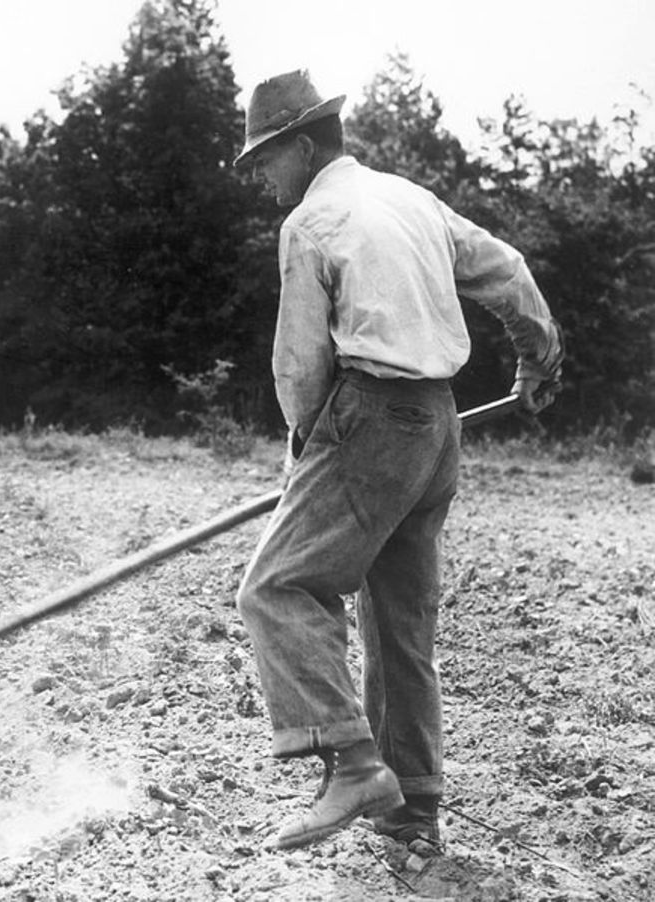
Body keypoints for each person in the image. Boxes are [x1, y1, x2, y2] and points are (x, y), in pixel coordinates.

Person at [231, 70, 564, 852]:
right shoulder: (413, 201)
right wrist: (539, 357)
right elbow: (509, 272)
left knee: (277, 587)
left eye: (265, 160)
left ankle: (352, 765)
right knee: (398, 624)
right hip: (436, 427)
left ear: (301, 147)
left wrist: (305, 453)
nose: (263, 179)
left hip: (371, 420)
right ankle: (412, 811)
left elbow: (299, 369)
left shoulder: (312, 222)